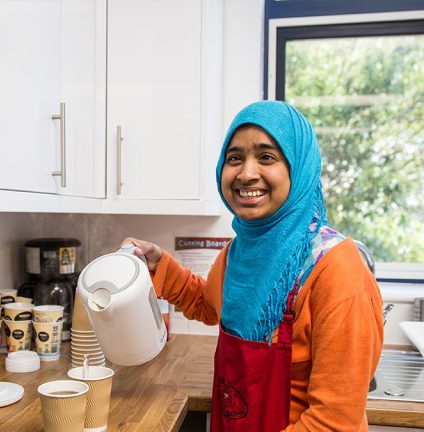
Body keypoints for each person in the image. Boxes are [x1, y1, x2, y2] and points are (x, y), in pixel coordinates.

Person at [124, 100, 383, 431]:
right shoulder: (240, 251)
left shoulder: (336, 270)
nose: (246, 174)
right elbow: (208, 304)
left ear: (298, 168)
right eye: (235, 158)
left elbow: (334, 422)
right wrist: (159, 262)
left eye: (266, 157)